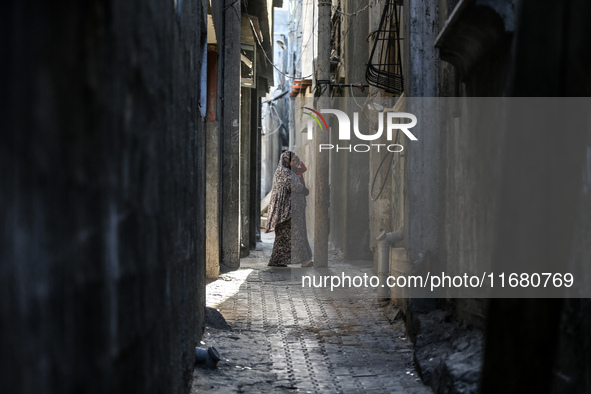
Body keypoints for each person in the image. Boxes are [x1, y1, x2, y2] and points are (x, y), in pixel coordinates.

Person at [265, 151, 313, 267]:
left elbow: (300, 173)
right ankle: (304, 261)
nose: (295, 162)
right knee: (297, 235)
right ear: (287, 160)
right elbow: (294, 186)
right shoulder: (285, 172)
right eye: (293, 160)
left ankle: (278, 260)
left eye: (296, 160)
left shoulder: (287, 171)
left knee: (285, 237)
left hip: (289, 211)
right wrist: (303, 189)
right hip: (289, 212)